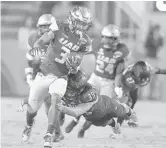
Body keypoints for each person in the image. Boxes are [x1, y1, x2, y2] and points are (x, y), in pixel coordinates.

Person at [21, 6, 93, 148]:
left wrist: (74, 66)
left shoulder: (85, 41)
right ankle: (29, 125)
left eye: (84, 24)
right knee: (32, 109)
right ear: (72, 20)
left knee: (55, 99)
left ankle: (49, 134)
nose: (82, 26)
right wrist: (38, 44)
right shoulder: (59, 26)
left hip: (61, 76)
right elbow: (45, 38)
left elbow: (78, 59)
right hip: (44, 73)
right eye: (79, 22)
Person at [56, 70, 138, 138]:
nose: (69, 91)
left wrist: (63, 108)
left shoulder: (87, 94)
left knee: (121, 111)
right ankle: (114, 125)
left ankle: (130, 112)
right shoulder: (65, 88)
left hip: (106, 105)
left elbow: (77, 112)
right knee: (102, 122)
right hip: (91, 116)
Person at [88, 24, 130, 99]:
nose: (115, 40)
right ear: (103, 37)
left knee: (104, 105)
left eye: (115, 38)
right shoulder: (97, 44)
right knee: (86, 96)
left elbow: (119, 72)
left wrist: (117, 86)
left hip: (108, 82)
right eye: (111, 38)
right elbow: (83, 51)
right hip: (95, 77)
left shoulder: (121, 49)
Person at [144, 24, 164, 100]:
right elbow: (147, 46)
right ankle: (147, 94)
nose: (157, 31)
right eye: (156, 30)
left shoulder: (160, 38)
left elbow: (160, 46)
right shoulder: (149, 38)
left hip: (156, 59)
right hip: (149, 59)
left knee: (156, 77)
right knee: (148, 77)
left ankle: (153, 95)